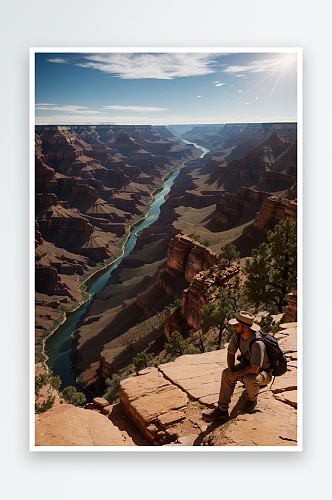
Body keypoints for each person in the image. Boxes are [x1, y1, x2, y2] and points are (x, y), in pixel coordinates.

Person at [202, 311, 272, 423]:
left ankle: (251, 400)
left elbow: (255, 369)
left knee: (250, 379)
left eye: (237, 325)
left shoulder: (257, 343)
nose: (234, 327)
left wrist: (237, 374)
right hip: (247, 366)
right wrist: (231, 372)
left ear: (245, 327)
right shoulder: (237, 336)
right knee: (225, 374)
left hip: (263, 372)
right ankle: (222, 410)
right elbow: (230, 353)